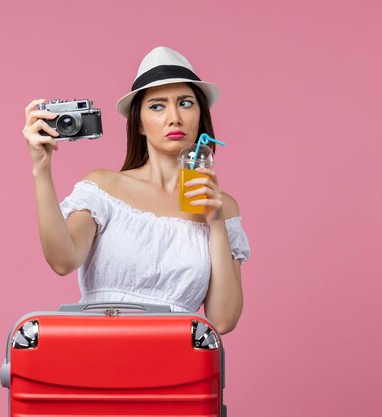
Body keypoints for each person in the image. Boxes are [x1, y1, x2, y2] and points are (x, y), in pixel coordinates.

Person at [22, 46, 250, 334]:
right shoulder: (104, 188)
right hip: (98, 352)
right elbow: (62, 261)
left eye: (186, 103)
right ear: (139, 124)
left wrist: (215, 223)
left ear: (201, 115)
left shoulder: (222, 207)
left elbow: (223, 321)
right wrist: (40, 170)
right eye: (157, 106)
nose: (174, 117)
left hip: (176, 364)